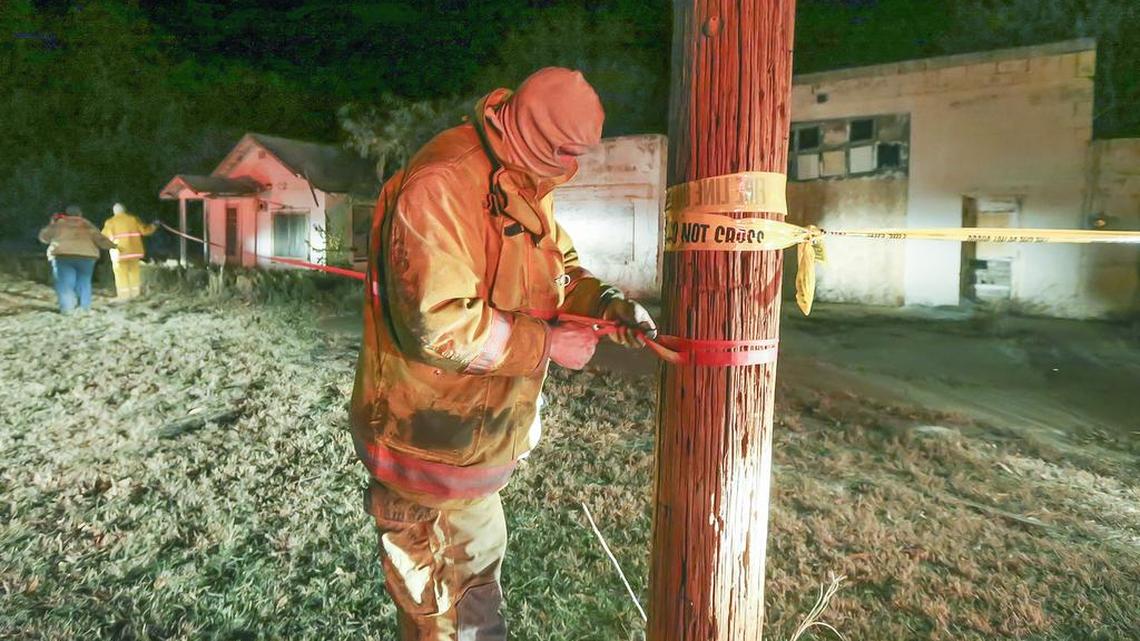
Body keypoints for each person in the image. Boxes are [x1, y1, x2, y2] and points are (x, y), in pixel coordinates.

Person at [351, 67, 657, 640]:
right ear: (536, 133)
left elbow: (558, 267)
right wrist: (547, 344)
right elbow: (441, 324)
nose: (572, 166)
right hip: (429, 450)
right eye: (566, 151)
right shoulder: (444, 182)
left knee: (471, 600)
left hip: (471, 445)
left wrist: (606, 304)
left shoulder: (519, 177)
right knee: (449, 614)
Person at [38, 205, 116, 314]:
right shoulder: (87, 224)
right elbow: (100, 239)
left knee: (65, 283)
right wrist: (114, 246)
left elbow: (44, 237)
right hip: (86, 256)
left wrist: (52, 223)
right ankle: (84, 308)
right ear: (80, 214)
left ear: (66, 214)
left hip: (62, 255)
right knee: (84, 282)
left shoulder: (59, 224)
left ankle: (67, 309)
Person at [101, 202, 157, 299]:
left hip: (119, 254)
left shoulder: (110, 222)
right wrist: (154, 226)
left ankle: (124, 296)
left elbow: (104, 238)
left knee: (121, 275)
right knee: (134, 274)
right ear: (124, 210)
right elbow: (145, 231)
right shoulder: (133, 219)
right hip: (134, 253)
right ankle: (135, 295)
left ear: (114, 211)